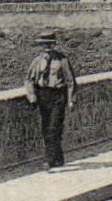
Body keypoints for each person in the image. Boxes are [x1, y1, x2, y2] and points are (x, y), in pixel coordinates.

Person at [24, 30, 77, 169]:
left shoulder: (62, 60)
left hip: (58, 96)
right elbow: (29, 79)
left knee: (53, 127)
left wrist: (71, 100)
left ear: (54, 44)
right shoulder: (37, 61)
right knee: (46, 128)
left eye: (50, 44)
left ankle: (48, 160)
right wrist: (32, 95)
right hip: (43, 96)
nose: (47, 47)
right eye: (44, 44)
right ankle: (58, 158)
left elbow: (70, 81)